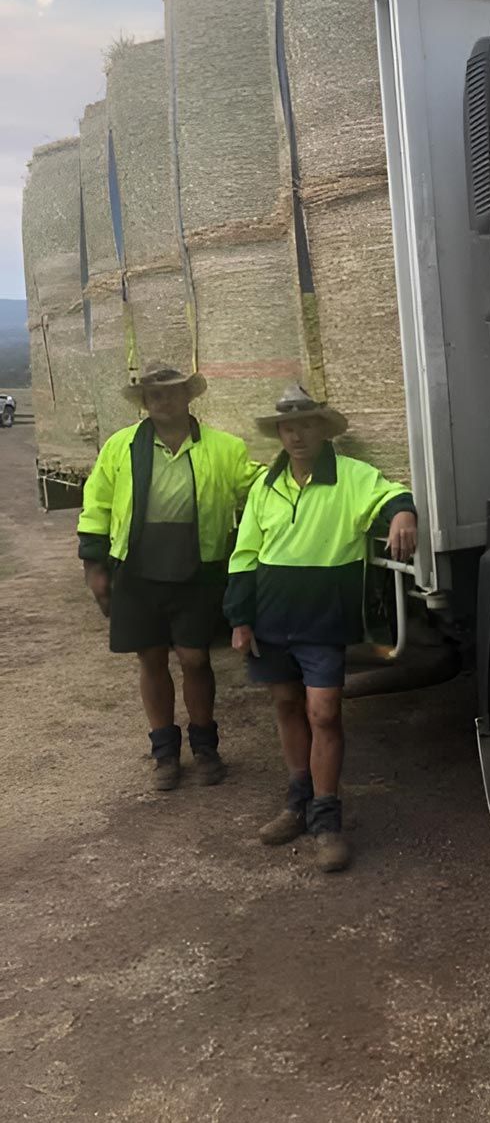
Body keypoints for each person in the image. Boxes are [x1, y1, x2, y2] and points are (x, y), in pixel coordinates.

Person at [225, 385, 417, 873]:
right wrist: (240, 618)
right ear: (280, 434)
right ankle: (297, 804)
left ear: (322, 430)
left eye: (305, 425)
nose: (296, 435)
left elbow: (391, 492)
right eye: (287, 427)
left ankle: (327, 820)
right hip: (271, 617)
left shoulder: (352, 477)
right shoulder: (265, 488)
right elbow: (245, 555)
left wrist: (403, 514)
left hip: (323, 621)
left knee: (325, 713)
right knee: (287, 705)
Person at [78, 363, 264, 791]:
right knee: (151, 659)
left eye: (173, 392)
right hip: (138, 569)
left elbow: (257, 488)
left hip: (197, 568)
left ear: (189, 397)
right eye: (155, 394)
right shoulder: (120, 447)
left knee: (195, 658)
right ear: (144, 402)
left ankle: (205, 747)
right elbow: (98, 504)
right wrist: (94, 565)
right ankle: (165, 754)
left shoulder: (224, 448)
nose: (164, 400)